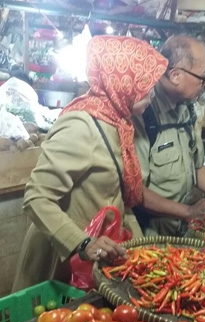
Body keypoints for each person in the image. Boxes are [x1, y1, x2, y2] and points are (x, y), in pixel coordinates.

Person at [12, 35, 169, 291]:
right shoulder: (81, 126)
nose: (151, 94)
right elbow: (37, 197)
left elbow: (121, 197)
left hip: (96, 255)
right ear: (121, 80)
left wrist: (142, 254)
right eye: (144, 83)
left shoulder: (120, 123)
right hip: (63, 259)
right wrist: (82, 243)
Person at [133, 35, 205, 236]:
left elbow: (196, 167)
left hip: (184, 229)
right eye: (202, 78)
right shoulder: (143, 113)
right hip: (152, 234)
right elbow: (135, 192)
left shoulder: (187, 109)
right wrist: (189, 212)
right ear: (176, 75)